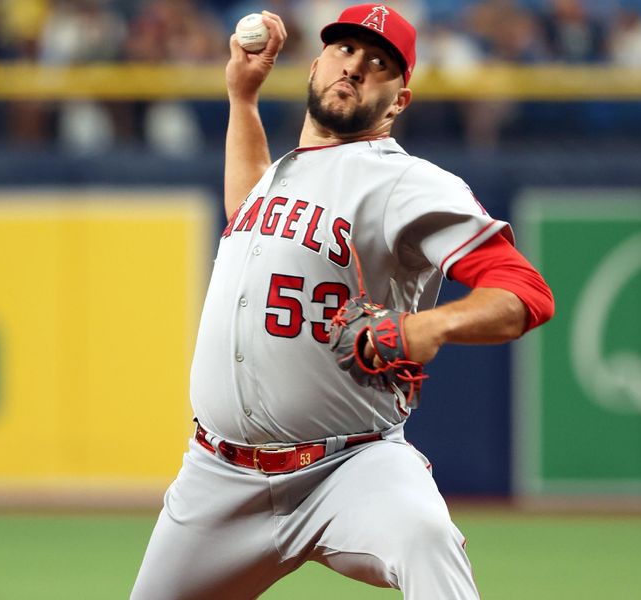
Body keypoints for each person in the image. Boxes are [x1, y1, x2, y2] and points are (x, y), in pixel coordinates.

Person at [130, 4, 554, 599]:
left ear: (399, 100)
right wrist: (243, 101)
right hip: (218, 480)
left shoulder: (407, 182)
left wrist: (424, 327)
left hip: (350, 469)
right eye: (344, 51)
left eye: (378, 64)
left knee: (425, 537)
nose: (354, 68)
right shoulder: (284, 170)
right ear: (317, 63)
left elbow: (525, 293)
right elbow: (247, 213)